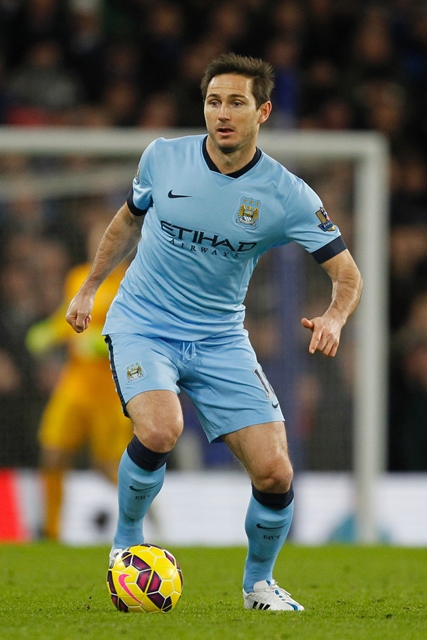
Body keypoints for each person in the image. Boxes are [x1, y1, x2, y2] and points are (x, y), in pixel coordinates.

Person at [65, 53, 362, 611]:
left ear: (263, 111)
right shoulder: (163, 157)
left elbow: (346, 272)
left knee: (275, 472)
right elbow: (127, 220)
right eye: (213, 101)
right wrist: (88, 289)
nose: (221, 114)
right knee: (159, 428)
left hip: (220, 336)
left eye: (236, 102)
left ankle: (258, 586)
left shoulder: (287, 195)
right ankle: (127, 544)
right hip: (143, 322)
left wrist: (335, 316)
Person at [27, 220, 133, 540]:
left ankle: (145, 521)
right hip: (74, 385)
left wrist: (100, 345)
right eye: (97, 239)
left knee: (108, 466)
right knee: (53, 452)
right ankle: (51, 529)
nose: (102, 245)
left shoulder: (130, 282)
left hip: (111, 391)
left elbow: (131, 332)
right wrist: (48, 332)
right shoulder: (77, 277)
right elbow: (67, 316)